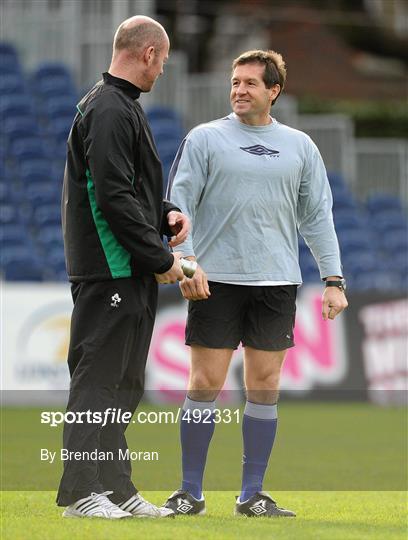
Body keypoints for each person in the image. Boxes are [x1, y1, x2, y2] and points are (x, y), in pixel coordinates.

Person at [162, 49, 348, 517]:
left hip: (276, 282)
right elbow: (177, 207)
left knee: (264, 386)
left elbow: (317, 217)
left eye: (250, 83)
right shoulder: (205, 139)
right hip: (215, 280)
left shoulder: (301, 146)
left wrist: (333, 279)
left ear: (274, 91)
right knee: (204, 382)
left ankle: (252, 495)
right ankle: (189, 493)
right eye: (235, 81)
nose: (239, 90)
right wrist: (184, 263)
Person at [57, 15, 189, 519]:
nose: (162, 72)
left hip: (126, 268)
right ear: (149, 54)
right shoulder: (109, 108)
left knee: (126, 383)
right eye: (164, 62)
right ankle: (80, 492)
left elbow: (130, 189)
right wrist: (161, 258)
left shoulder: (120, 105)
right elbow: (110, 196)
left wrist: (165, 212)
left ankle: (116, 487)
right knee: (98, 379)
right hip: (110, 267)